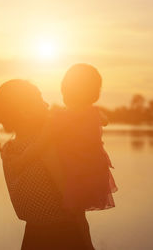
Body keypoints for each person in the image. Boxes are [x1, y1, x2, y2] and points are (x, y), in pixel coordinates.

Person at [0, 79, 94, 250]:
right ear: (25, 111)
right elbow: (73, 203)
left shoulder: (8, 150)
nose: (47, 104)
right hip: (65, 237)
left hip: (32, 238)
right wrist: (88, 245)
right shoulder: (46, 147)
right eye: (40, 99)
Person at [52, 63, 118, 212]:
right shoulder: (93, 113)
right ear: (95, 93)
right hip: (94, 171)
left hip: (76, 172)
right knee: (78, 214)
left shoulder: (61, 117)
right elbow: (105, 120)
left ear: (65, 89)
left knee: (72, 212)